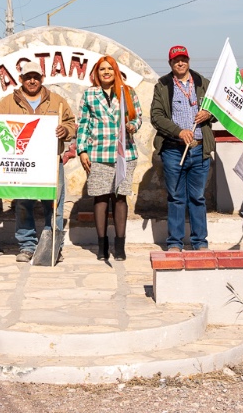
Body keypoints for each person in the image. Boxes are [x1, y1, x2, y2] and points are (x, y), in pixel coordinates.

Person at [0, 66, 76, 263]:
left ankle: (52, 246)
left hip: (51, 162)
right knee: (23, 204)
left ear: (42, 78)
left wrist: (64, 131)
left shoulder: (57, 101)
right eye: (28, 77)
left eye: (36, 77)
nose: (32, 81)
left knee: (53, 205)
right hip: (23, 165)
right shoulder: (7, 102)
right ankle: (27, 246)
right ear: (21, 78)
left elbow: (71, 124)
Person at [149, 44, 215, 252]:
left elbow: (217, 107)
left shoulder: (204, 83)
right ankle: (175, 242)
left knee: (197, 197)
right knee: (176, 197)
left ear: (188, 60)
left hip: (199, 149)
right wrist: (179, 131)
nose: (180, 63)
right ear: (170, 63)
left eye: (183, 59)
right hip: (173, 149)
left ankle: (200, 242)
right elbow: (156, 116)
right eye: (176, 60)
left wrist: (209, 114)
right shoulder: (163, 85)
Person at [76, 55, 141, 263]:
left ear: (116, 72)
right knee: (101, 197)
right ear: (96, 72)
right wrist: (82, 150)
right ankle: (102, 245)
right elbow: (84, 124)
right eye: (102, 69)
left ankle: (120, 245)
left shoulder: (127, 92)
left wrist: (133, 126)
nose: (106, 73)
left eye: (110, 69)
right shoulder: (89, 94)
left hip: (125, 153)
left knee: (120, 197)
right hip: (99, 153)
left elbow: (137, 117)